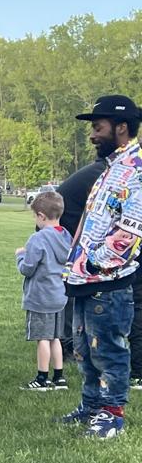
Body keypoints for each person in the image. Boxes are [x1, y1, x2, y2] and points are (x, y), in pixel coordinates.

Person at [60, 94, 142, 439]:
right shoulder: (111, 167)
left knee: (108, 349)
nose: (92, 135)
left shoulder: (136, 170)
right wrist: (74, 262)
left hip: (108, 280)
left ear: (121, 127)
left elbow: (131, 231)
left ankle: (112, 414)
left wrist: (95, 262)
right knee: (83, 349)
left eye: (98, 127)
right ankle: (91, 404)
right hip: (84, 278)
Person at [16, 191, 73, 391]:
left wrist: (20, 256)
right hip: (59, 295)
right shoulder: (66, 236)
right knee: (56, 337)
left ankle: (41, 378)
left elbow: (27, 268)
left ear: (41, 216)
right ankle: (59, 377)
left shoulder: (37, 239)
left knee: (42, 338)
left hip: (41, 297)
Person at [56, 159, 106, 359]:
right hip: (64, 229)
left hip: (71, 226)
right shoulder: (109, 172)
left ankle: (74, 339)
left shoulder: (106, 169)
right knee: (70, 286)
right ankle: (66, 341)